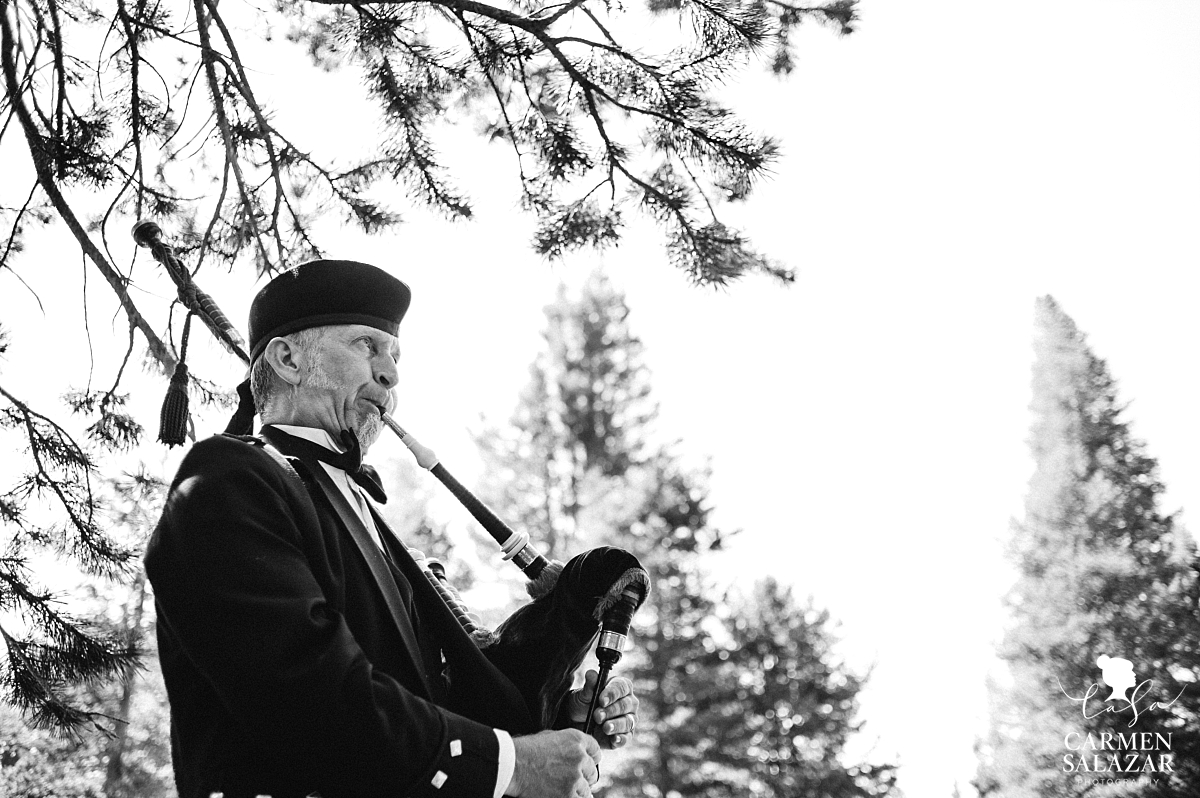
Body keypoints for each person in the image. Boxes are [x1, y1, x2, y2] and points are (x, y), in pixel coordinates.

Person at [145, 260, 639, 798]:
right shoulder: (228, 480)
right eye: (366, 346)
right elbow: (306, 697)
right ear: (287, 359)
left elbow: (435, 706)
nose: (391, 373)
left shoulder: (374, 528)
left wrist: (557, 715)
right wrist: (511, 764)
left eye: (395, 355)